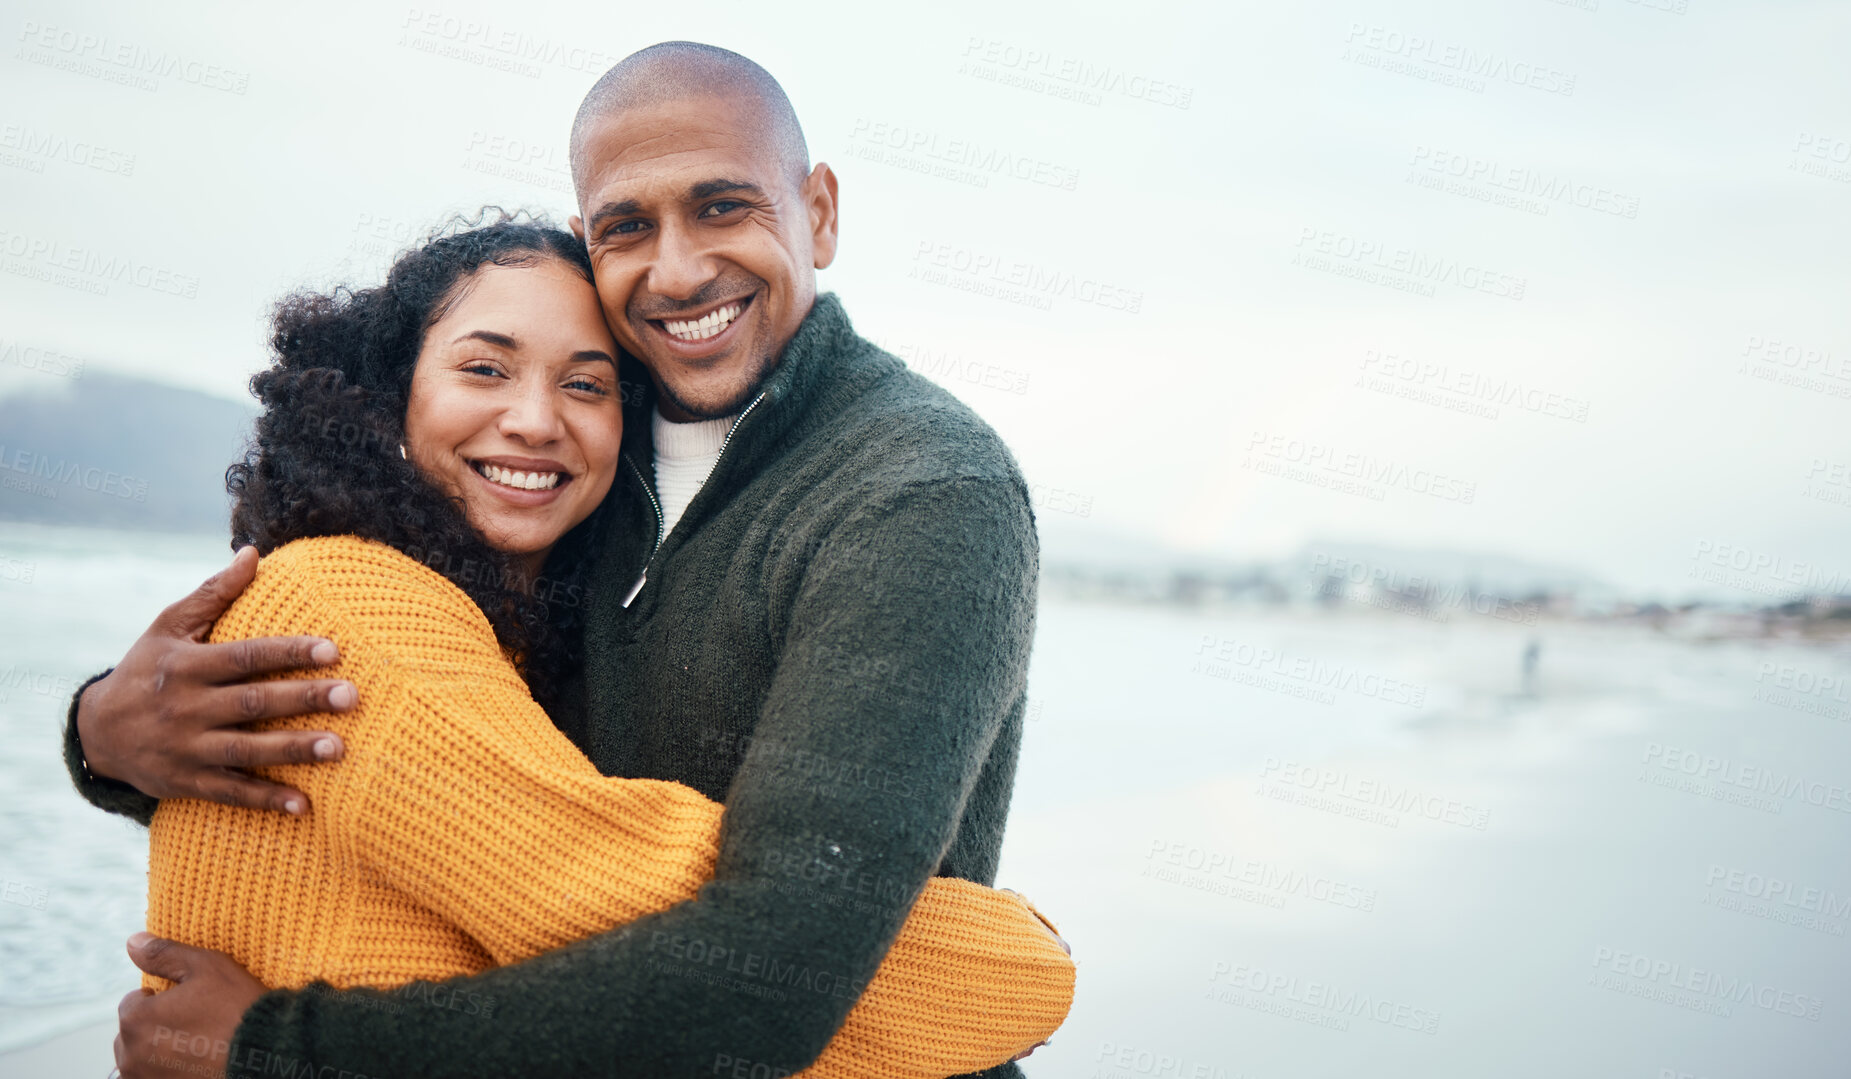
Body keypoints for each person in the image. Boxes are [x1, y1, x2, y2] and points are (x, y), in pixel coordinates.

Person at [70, 42, 1054, 1079]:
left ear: (818, 213)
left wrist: (288, 1050)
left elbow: (771, 974)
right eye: (630, 225)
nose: (677, 269)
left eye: (725, 206)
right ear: (592, 242)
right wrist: (105, 732)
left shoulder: (920, 491)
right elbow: (401, 753)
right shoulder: (569, 467)